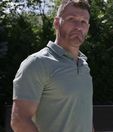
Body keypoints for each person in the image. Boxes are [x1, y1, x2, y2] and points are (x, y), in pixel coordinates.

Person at [11, 0, 93, 132]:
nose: (78, 26)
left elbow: (84, 119)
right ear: (56, 22)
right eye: (71, 19)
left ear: (87, 28)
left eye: (83, 21)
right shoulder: (37, 63)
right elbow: (20, 120)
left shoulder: (84, 66)